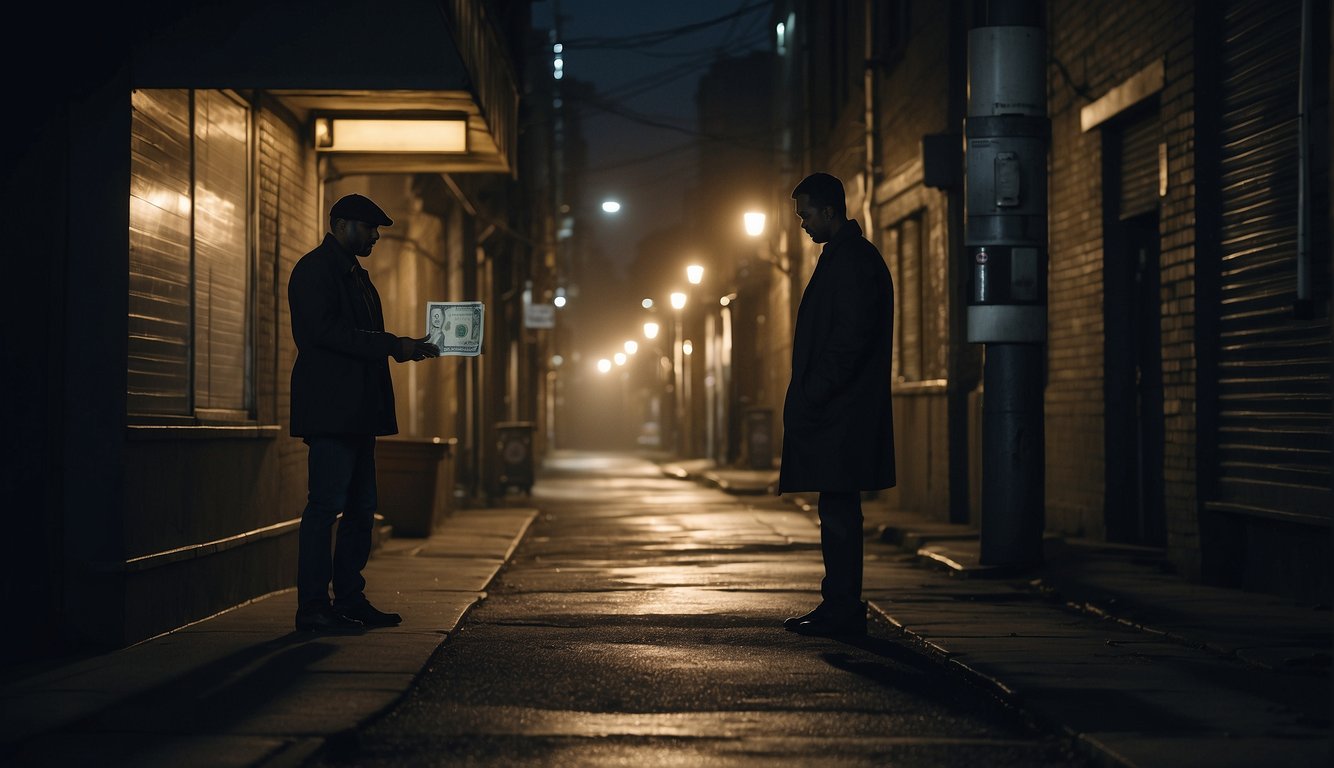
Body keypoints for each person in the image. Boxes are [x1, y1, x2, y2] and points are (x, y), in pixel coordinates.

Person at [288, 193, 440, 632]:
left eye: (377, 229)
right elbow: (327, 335)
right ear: (338, 224)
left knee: (360, 509)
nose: (376, 235)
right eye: (367, 227)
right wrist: (396, 345)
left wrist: (401, 347)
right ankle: (314, 607)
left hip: (357, 412)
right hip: (332, 412)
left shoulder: (356, 276)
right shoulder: (316, 270)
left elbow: (361, 338)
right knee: (325, 507)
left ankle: (349, 599)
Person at [778, 172, 896, 637]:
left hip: (843, 413)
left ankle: (843, 608)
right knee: (838, 510)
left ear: (830, 211)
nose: (802, 224)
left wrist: (814, 391)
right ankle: (839, 603)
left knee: (840, 513)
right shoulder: (845, 258)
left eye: (807, 214)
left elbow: (849, 339)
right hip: (842, 412)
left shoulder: (851, 262)